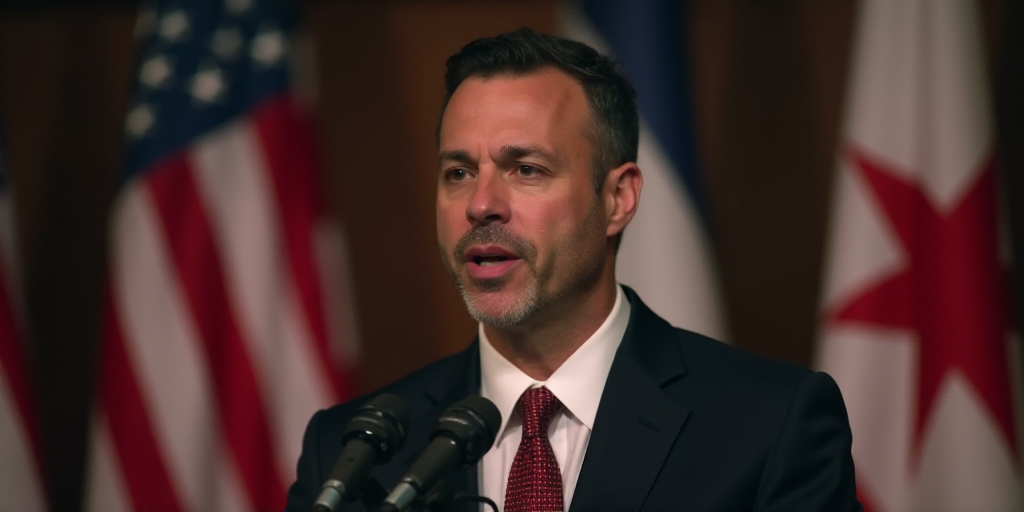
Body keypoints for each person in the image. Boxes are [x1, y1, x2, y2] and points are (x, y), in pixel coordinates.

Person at [286, 29, 861, 512]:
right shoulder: (351, 453)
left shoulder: (769, 425)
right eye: (458, 172)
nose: (481, 204)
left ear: (618, 199)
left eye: (526, 169)